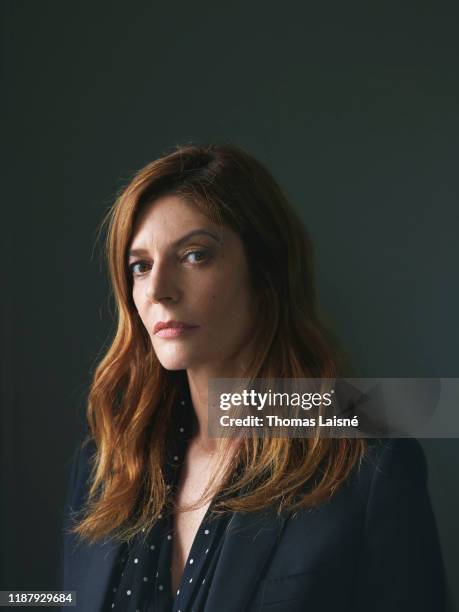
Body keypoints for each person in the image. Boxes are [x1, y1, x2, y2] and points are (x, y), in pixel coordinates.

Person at [60, 143, 447, 611]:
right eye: (140, 266)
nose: (159, 290)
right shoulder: (105, 465)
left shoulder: (369, 461)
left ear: (265, 273)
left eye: (195, 255)